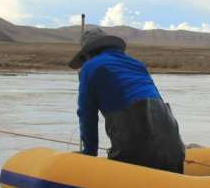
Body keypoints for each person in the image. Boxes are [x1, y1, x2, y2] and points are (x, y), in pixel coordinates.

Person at [68, 28, 185, 173]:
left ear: (86, 55)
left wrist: (89, 152)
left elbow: (87, 114)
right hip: (174, 148)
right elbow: (157, 102)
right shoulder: (137, 64)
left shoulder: (91, 67)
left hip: (138, 151)